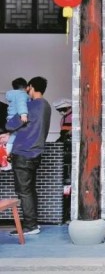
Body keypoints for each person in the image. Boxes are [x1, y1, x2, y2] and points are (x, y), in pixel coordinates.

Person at [4, 76, 52, 236]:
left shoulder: (31, 106)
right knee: (30, 190)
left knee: (24, 191)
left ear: (30, 87)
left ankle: (30, 226)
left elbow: (10, 124)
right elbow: (29, 127)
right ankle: (33, 224)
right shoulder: (46, 106)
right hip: (35, 152)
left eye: (27, 89)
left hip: (23, 152)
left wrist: (9, 132)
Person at [5, 77, 30, 157]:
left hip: (11, 119)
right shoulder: (22, 94)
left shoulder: (12, 95)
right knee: (20, 136)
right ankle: (8, 154)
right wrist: (23, 114)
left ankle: (7, 153)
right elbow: (21, 104)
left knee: (13, 136)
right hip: (18, 118)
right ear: (26, 87)